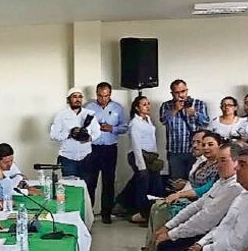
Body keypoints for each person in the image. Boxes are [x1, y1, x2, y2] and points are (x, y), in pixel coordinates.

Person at [138, 142, 244, 251]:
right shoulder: (221, 180)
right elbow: (199, 204)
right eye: (218, 161)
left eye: (223, 161)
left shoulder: (234, 187)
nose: (219, 165)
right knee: (164, 244)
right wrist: (168, 227)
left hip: (211, 237)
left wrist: (172, 234)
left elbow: (207, 219)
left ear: (237, 163)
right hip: (206, 231)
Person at [134, 131, 222, 251]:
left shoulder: (219, 166)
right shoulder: (203, 163)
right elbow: (194, 183)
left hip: (198, 200)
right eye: (203, 144)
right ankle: (151, 246)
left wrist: (180, 194)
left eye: (210, 145)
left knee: (162, 210)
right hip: (191, 196)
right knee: (156, 206)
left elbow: (205, 189)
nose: (205, 148)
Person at [84, 81, 128, 221]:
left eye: (106, 96)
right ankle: (88, 214)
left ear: (110, 94)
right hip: (92, 149)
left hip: (110, 149)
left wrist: (112, 129)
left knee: (108, 182)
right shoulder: (88, 108)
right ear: (96, 94)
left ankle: (106, 214)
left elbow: (125, 127)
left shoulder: (118, 108)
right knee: (90, 182)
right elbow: (82, 126)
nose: (103, 99)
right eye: (100, 96)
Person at [120, 94, 163, 223]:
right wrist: (141, 165)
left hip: (150, 156)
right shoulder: (135, 123)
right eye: (144, 105)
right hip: (139, 155)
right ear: (137, 108)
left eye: (148, 104)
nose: (148, 106)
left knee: (153, 183)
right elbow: (136, 145)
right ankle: (141, 213)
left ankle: (125, 204)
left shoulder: (148, 119)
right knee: (142, 185)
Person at [49, 87, 101, 189]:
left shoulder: (89, 114)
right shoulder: (61, 115)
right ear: (68, 99)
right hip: (68, 158)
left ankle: (87, 206)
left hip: (87, 157)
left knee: (88, 188)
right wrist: (69, 134)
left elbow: (97, 132)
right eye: (74, 97)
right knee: (70, 188)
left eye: (80, 97)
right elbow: (53, 135)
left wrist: (89, 138)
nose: (78, 99)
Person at [160, 79, 210, 180]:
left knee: (195, 180)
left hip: (195, 150)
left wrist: (194, 113)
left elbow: (205, 123)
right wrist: (174, 110)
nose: (181, 95)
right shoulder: (166, 105)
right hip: (175, 150)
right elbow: (163, 121)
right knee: (176, 181)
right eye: (177, 92)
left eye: (183, 91)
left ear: (187, 91)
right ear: (172, 93)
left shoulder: (199, 104)